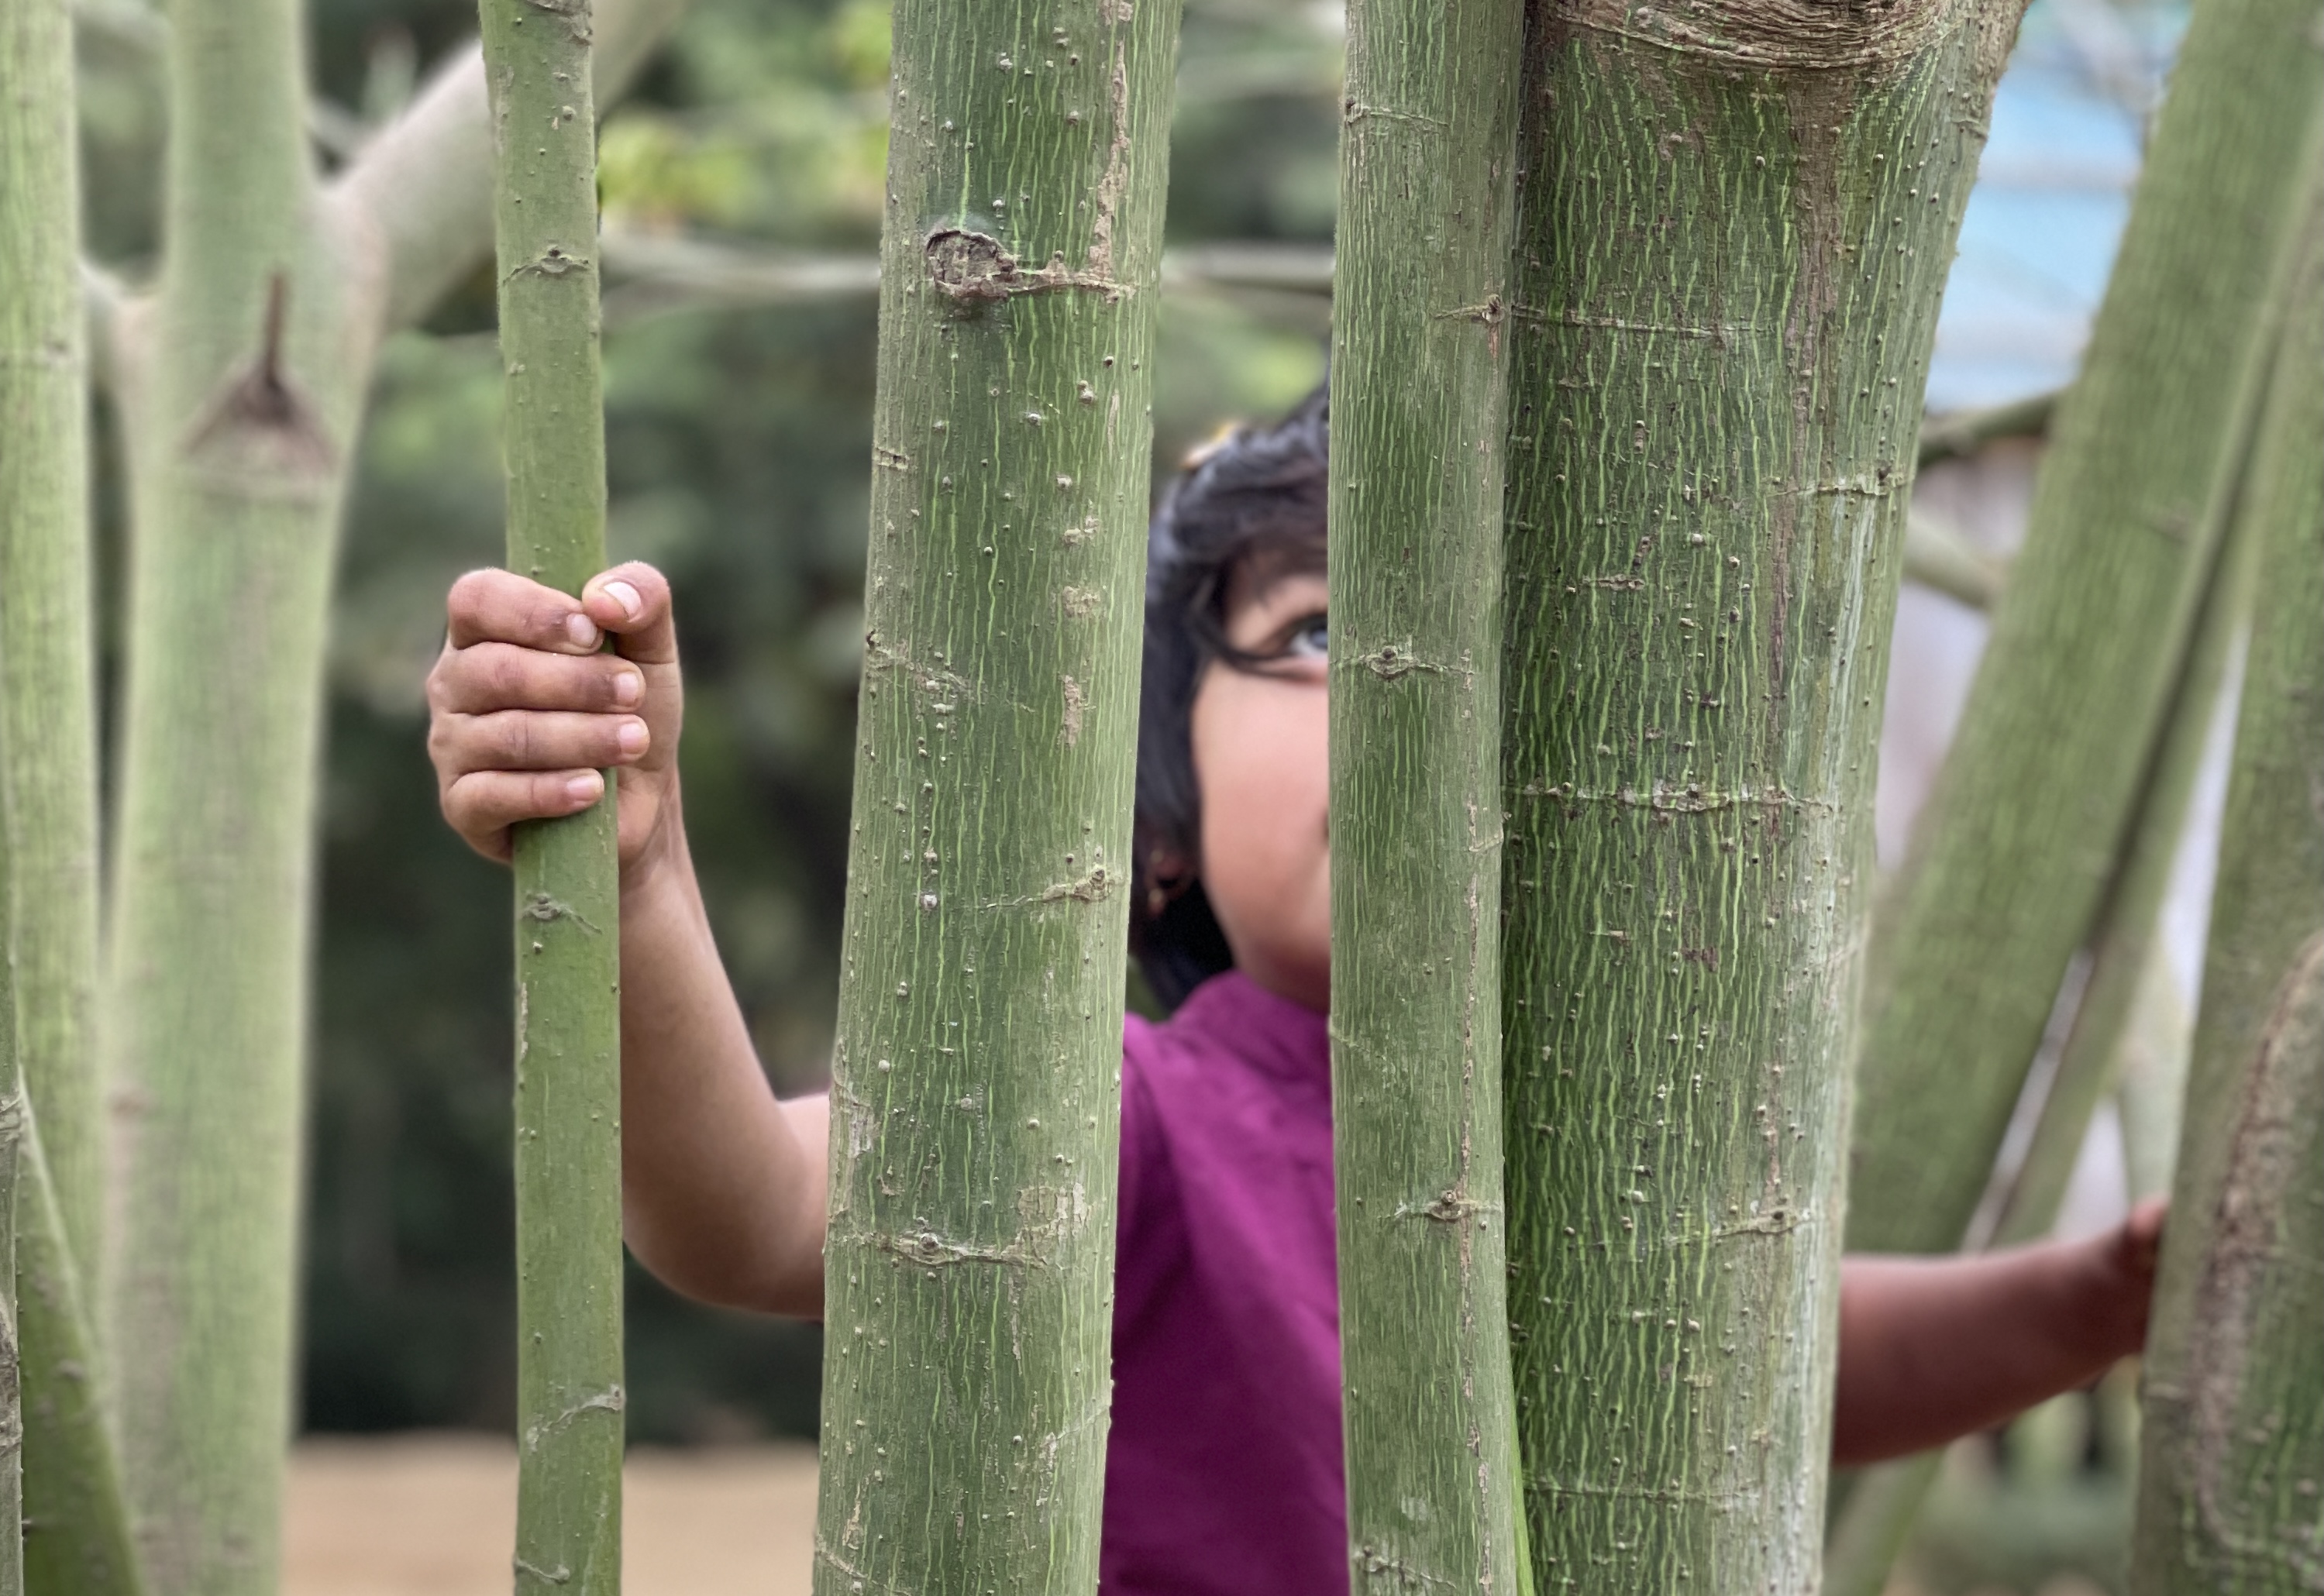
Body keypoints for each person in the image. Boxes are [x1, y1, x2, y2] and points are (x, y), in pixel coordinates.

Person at [424, 386, 2164, 1595]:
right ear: (1159, 836)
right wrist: (641, 873)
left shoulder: (1609, 1148)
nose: (1413, 681)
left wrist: (2092, 1296)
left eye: (1497, 640)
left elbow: (1784, 1358)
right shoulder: (1138, 1115)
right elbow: (755, 1209)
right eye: (1322, 631)